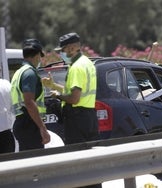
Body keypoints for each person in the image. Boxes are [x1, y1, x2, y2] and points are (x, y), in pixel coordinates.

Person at [43, 32, 101, 188]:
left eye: (64, 49)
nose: (62, 53)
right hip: (89, 117)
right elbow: (77, 92)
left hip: (77, 119)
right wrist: (55, 86)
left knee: (78, 164)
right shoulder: (87, 63)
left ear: (73, 48)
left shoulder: (76, 67)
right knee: (92, 162)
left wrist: (59, 97)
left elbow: (74, 98)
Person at [11, 39, 50, 151]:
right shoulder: (30, 73)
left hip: (23, 123)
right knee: (36, 163)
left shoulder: (19, 72)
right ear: (37, 54)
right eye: (40, 56)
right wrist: (42, 128)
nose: (40, 60)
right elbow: (29, 102)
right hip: (30, 125)